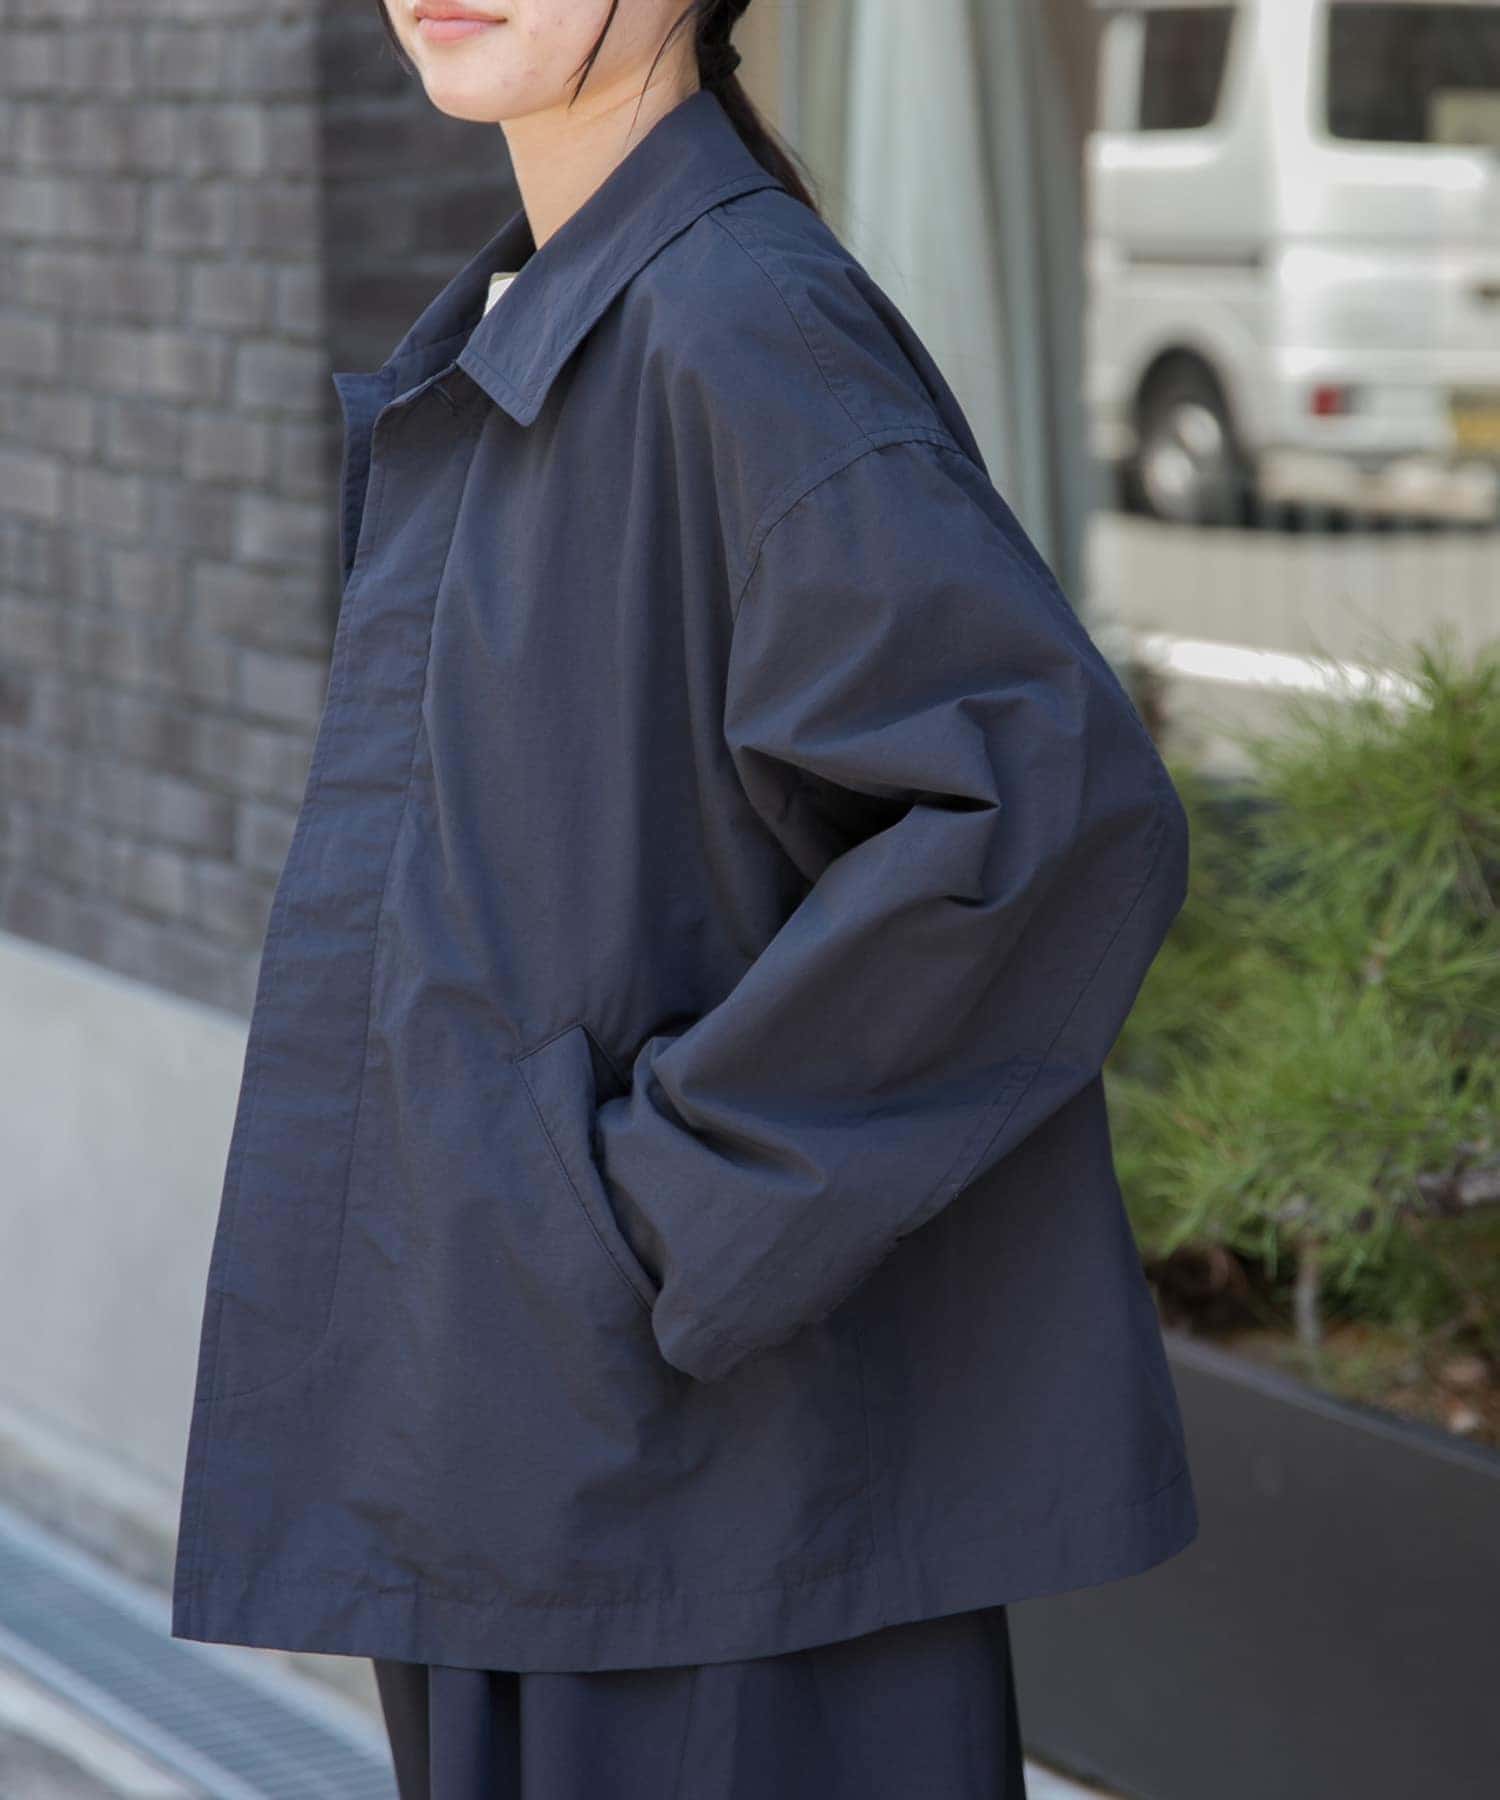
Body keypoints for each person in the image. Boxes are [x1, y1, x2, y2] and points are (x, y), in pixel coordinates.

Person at [168, 3, 1201, 1795]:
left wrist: (669, 1215)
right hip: (536, 1459)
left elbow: (1039, 814)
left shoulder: (739, 324)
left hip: (702, 1517)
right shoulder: (559, 310)